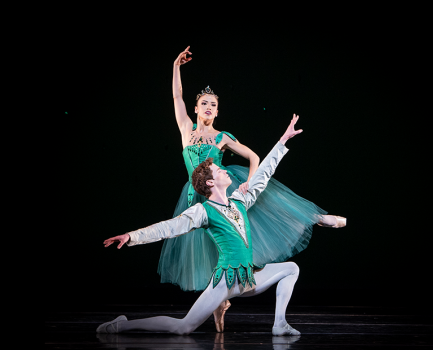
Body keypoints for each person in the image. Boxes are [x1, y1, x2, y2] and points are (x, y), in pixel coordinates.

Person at [162, 46, 346, 331]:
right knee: (213, 252)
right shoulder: (186, 129)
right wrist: (176, 66)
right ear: (196, 108)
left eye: (213, 104)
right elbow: (176, 96)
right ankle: (220, 307)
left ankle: (314, 218)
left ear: (217, 111)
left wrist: (248, 179)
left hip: (222, 190)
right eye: (204, 103)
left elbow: (254, 157)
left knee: (263, 209)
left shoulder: (222, 136)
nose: (208, 107)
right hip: (195, 195)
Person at [99, 116, 310, 336]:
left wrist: (282, 141)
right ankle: (120, 326)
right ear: (210, 182)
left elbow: (262, 175)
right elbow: (167, 228)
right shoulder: (202, 211)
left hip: (248, 278)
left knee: (291, 268)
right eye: (219, 170)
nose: (225, 170)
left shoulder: (239, 200)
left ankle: (279, 324)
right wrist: (131, 236)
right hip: (226, 282)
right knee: (183, 327)